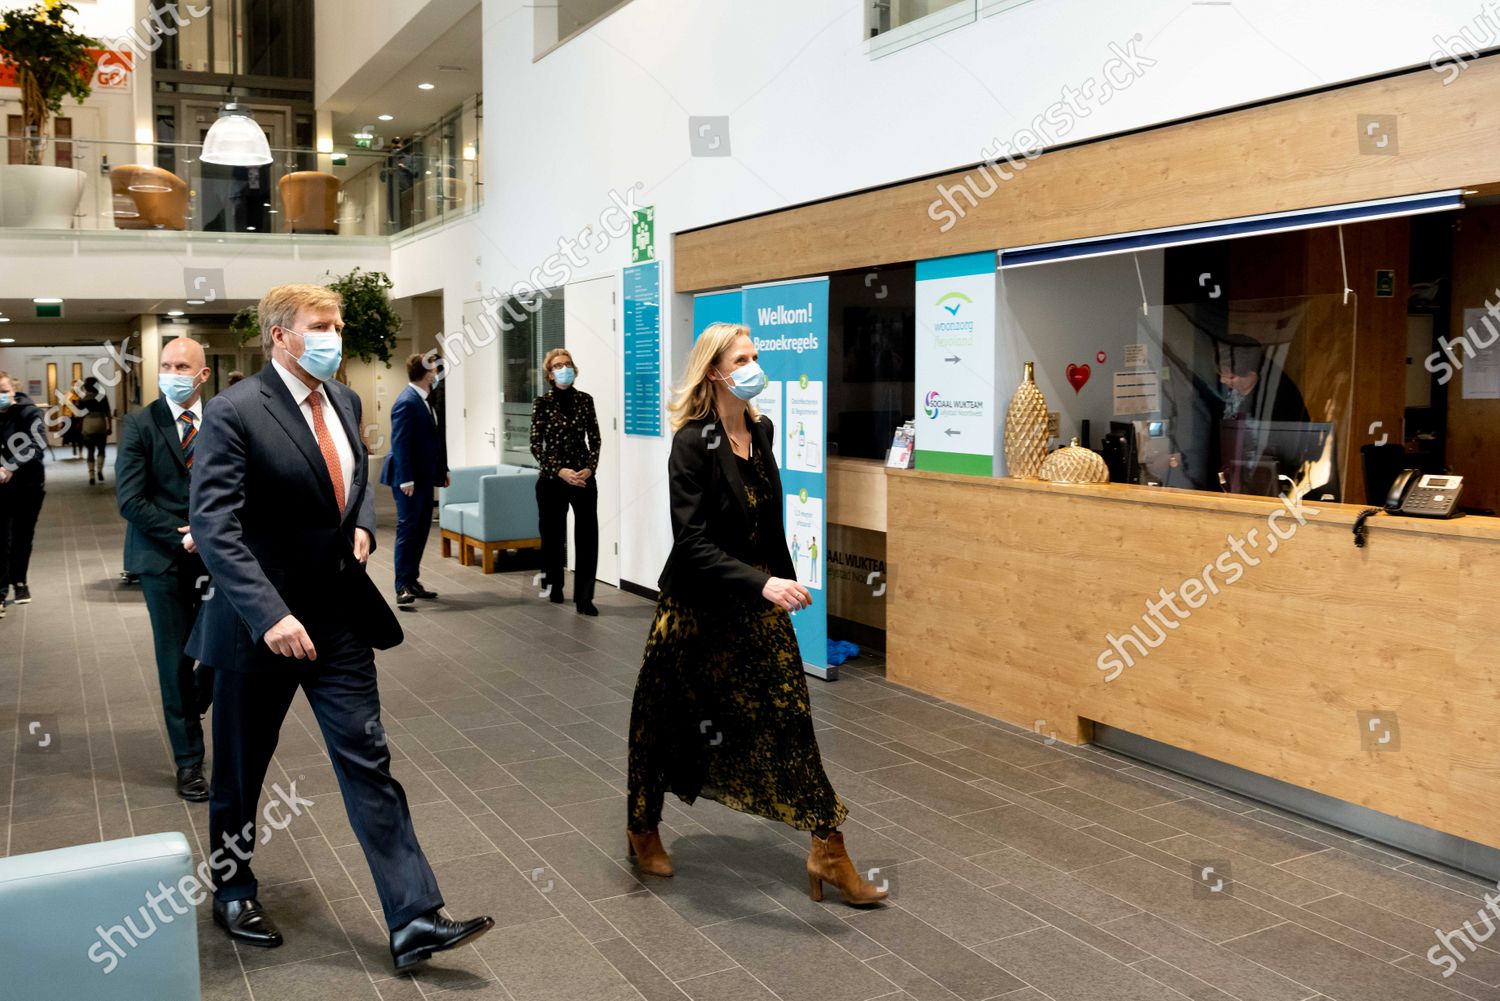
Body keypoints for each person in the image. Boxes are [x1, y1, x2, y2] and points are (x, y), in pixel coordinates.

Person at [186, 284, 492, 967]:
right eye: (320, 325)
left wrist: (359, 527)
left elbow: (352, 486)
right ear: (280, 336)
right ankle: (231, 886)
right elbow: (214, 524)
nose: (335, 335)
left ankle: (413, 915)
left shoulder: (345, 401)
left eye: (339, 324)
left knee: (368, 759)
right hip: (257, 625)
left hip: (338, 618)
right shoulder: (235, 412)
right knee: (239, 770)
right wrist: (269, 614)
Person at [624, 322, 887, 907]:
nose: (753, 365)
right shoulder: (693, 441)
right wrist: (762, 582)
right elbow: (690, 542)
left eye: (755, 355)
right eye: (741, 357)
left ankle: (829, 848)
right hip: (693, 609)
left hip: (758, 602)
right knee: (660, 724)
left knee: (792, 718)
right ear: (714, 371)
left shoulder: (761, 430)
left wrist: (783, 583)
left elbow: (766, 519)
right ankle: (642, 827)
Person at [116, 337, 215, 802]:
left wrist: (212, 533)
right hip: (162, 559)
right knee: (174, 662)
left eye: (182, 366)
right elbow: (130, 500)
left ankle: (195, 700)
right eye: (166, 364)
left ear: (203, 375)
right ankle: (189, 763)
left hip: (219, 556)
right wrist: (183, 533)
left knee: (220, 649)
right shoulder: (140, 424)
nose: (173, 372)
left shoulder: (223, 420)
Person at [529, 347, 600, 616]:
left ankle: (585, 598)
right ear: (550, 373)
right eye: (558, 365)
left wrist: (589, 468)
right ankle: (554, 584)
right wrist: (559, 470)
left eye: (567, 363)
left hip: (582, 478)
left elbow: (595, 439)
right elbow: (536, 444)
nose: (564, 368)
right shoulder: (542, 403)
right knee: (552, 535)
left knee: (587, 537)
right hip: (552, 479)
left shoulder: (585, 400)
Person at [379, 353, 448, 605]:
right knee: (408, 530)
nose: (439, 375)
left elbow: (433, 441)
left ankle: (412, 579)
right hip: (408, 479)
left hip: (423, 476)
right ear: (428, 374)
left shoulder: (424, 400)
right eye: (437, 371)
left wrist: (443, 470)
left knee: (420, 530)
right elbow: (401, 443)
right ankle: (402, 586)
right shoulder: (407, 402)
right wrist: (406, 478)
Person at [0, 372, 47, 612]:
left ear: (13, 391)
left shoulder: (29, 412)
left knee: (22, 536)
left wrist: (9, 467)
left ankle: (19, 582)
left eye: (3, 390)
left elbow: (36, 445)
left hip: (28, 485)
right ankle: (0, 590)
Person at [78, 376, 112, 484]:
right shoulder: (103, 397)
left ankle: (91, 475)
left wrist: (79, 426)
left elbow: (80, 416)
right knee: (101, 449)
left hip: (88, 424)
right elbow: (108, 413)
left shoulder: (83, 399)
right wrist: (110, 426)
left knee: (90, 451)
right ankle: (100, 470)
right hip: (100, 423)